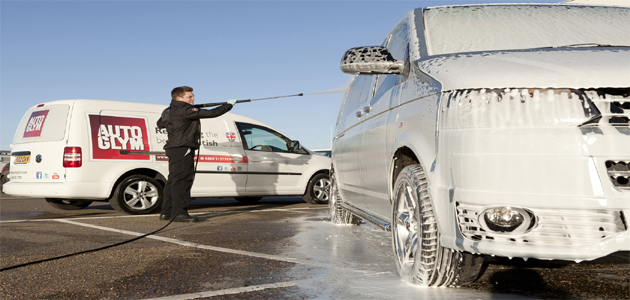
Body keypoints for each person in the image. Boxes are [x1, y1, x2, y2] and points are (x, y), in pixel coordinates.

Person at [157, 86, 236, 222]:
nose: (193, 98)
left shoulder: (168, 110)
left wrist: (184, 114)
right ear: (179, 98)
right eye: (190, 97)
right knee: (183, 180)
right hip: (183, 148)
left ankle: (167, 212)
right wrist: (228, 105)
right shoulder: (185, 110)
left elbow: (160, 124)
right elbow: (212, 113)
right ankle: (179, 213)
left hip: (174, 148)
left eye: (193, 96)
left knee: (173, 180)